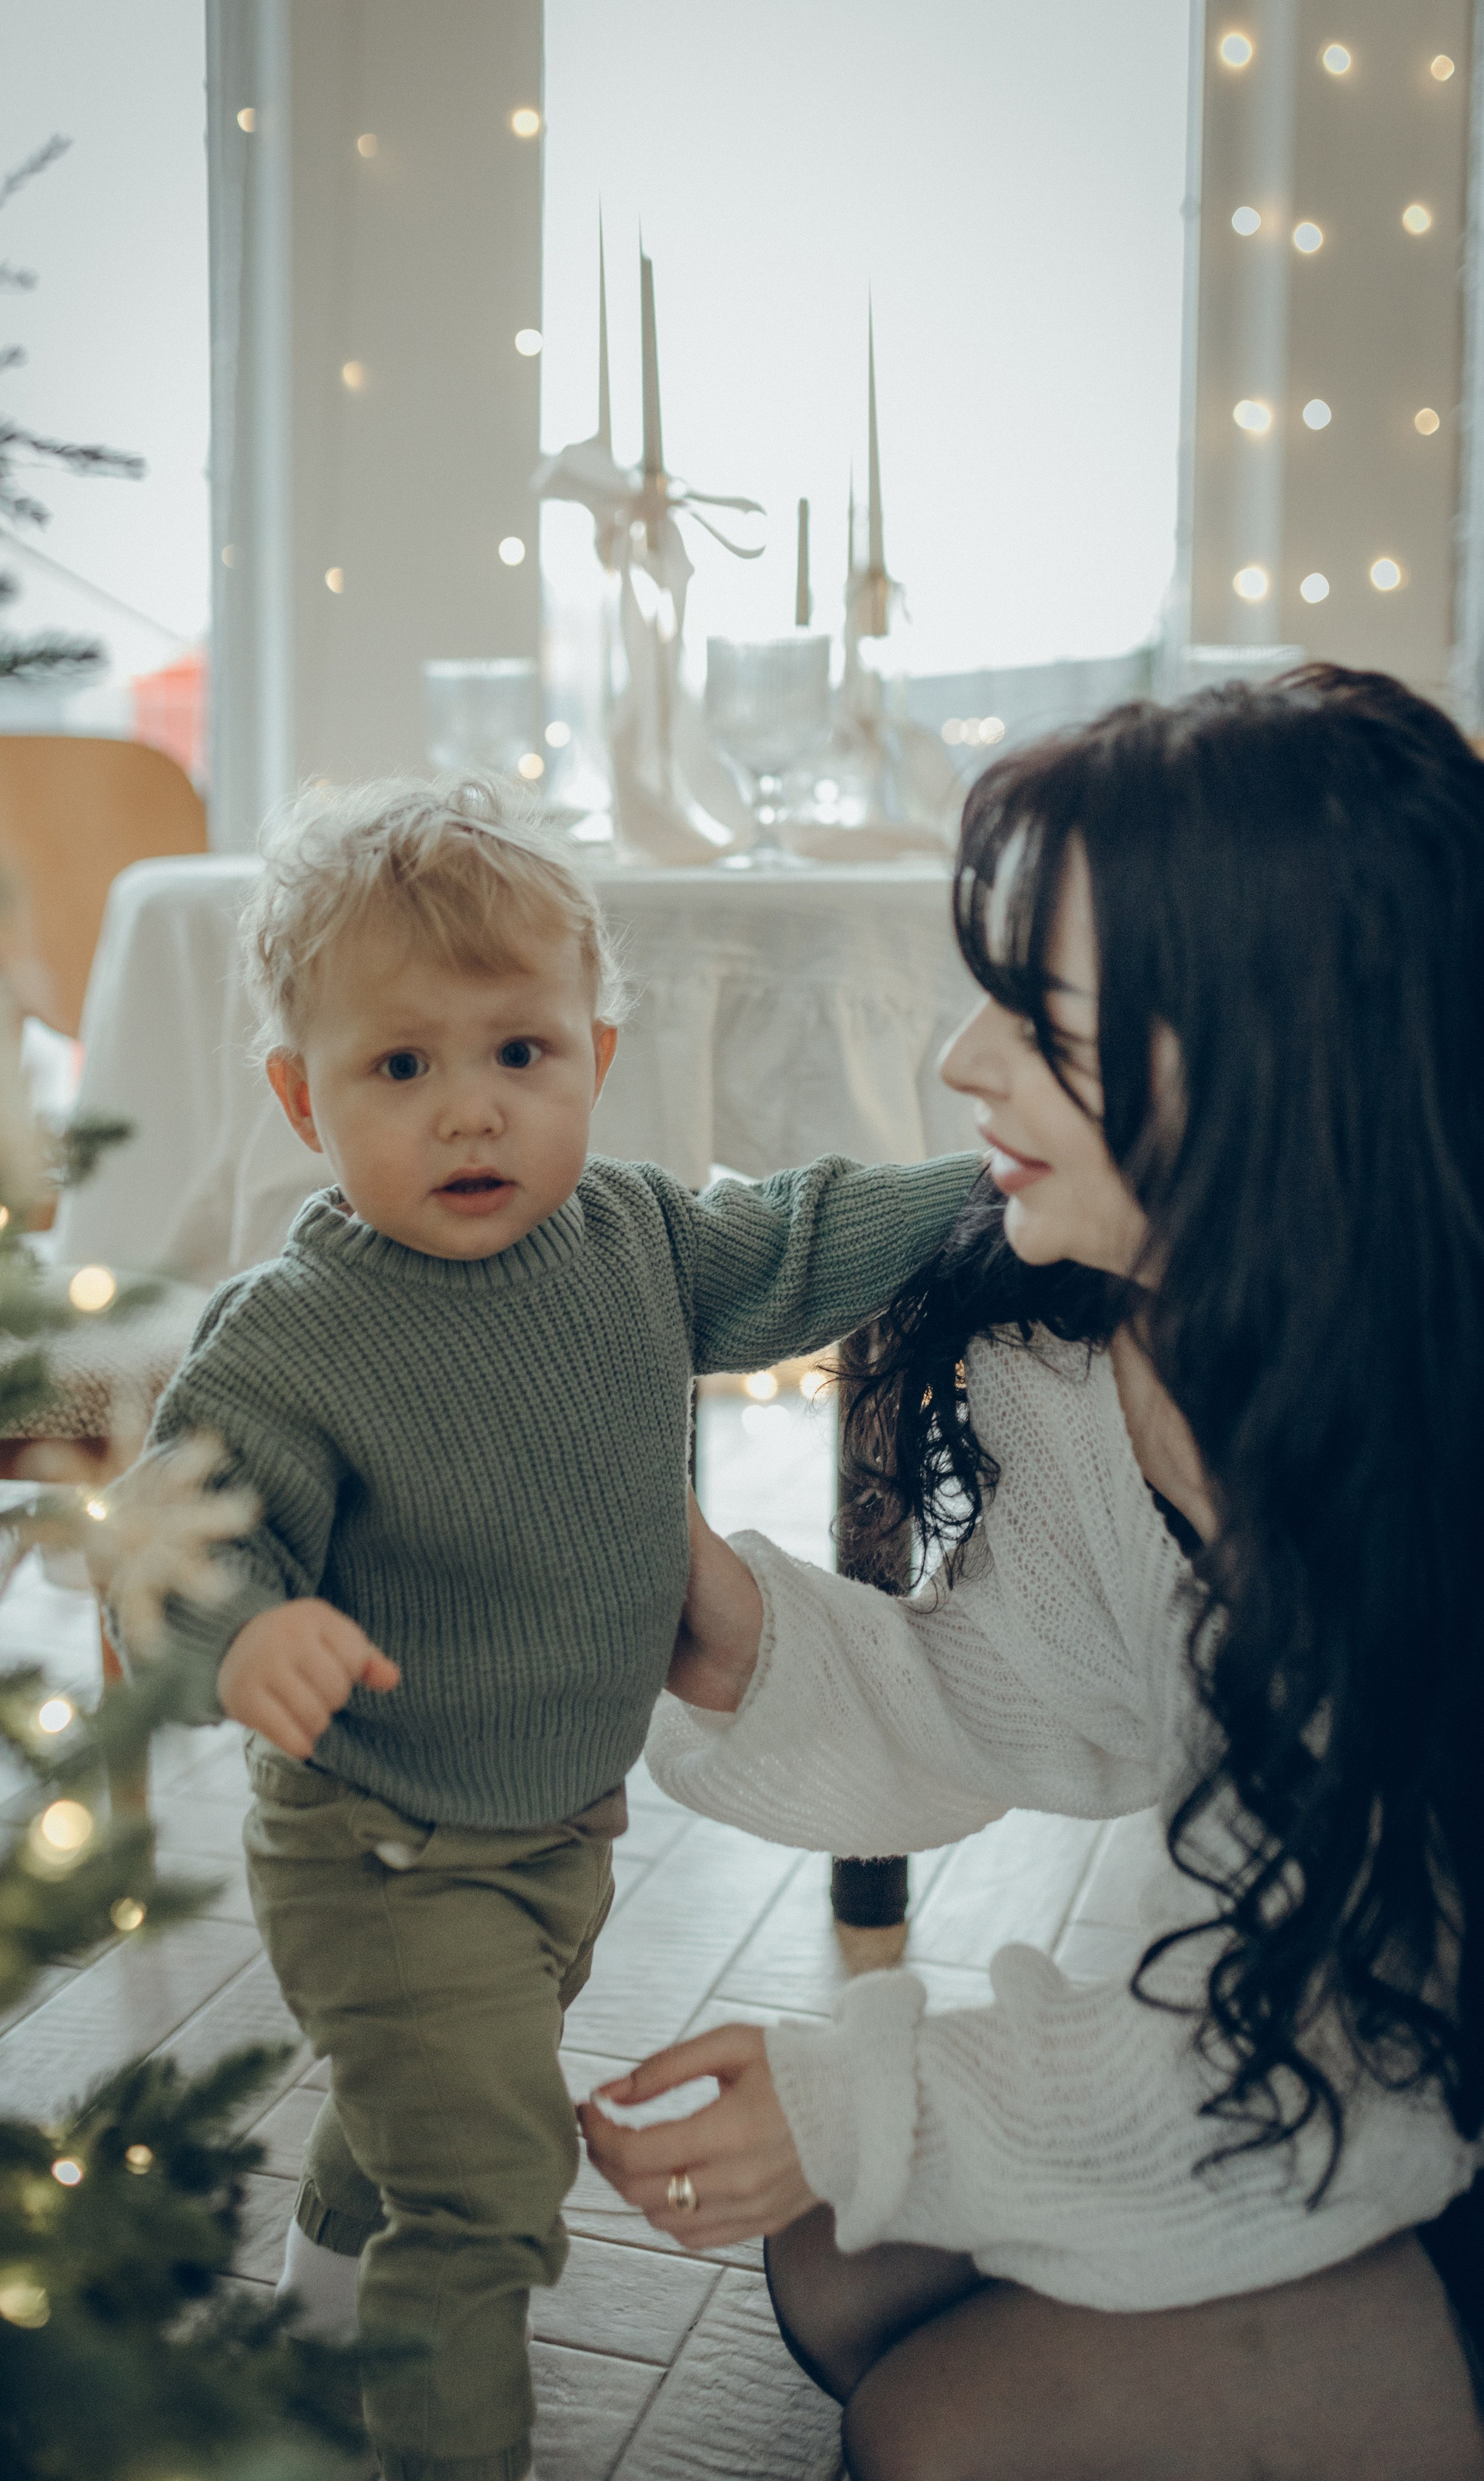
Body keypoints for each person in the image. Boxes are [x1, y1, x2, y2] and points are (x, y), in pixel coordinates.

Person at [582, 664, 1484, 2480]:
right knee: (839, 2258)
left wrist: (871, 2095)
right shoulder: (1100, 1354)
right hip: (1359, 2078)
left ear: (1286, 1046)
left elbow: (1375, 2043)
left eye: (1042, 1015)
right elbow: (1029, 1700)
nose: (960, 1064)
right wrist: (727, 1632)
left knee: (941, 2427)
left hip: (1436, 2113)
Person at [121, 774, 979, 2481]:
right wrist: (241, 1637)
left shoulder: (637, 1237)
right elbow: (177, 1522)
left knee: (423, 2107)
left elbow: (803, 1234)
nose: (471, 1116)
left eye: (520, 1056)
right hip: (375, 1847)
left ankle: (314, 2324)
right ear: (303, 1097)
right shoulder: (294, 1334)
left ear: (594, 1049)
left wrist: (985, 1196)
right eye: (401, 1067)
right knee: (491, 2183)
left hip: (560, 1829)